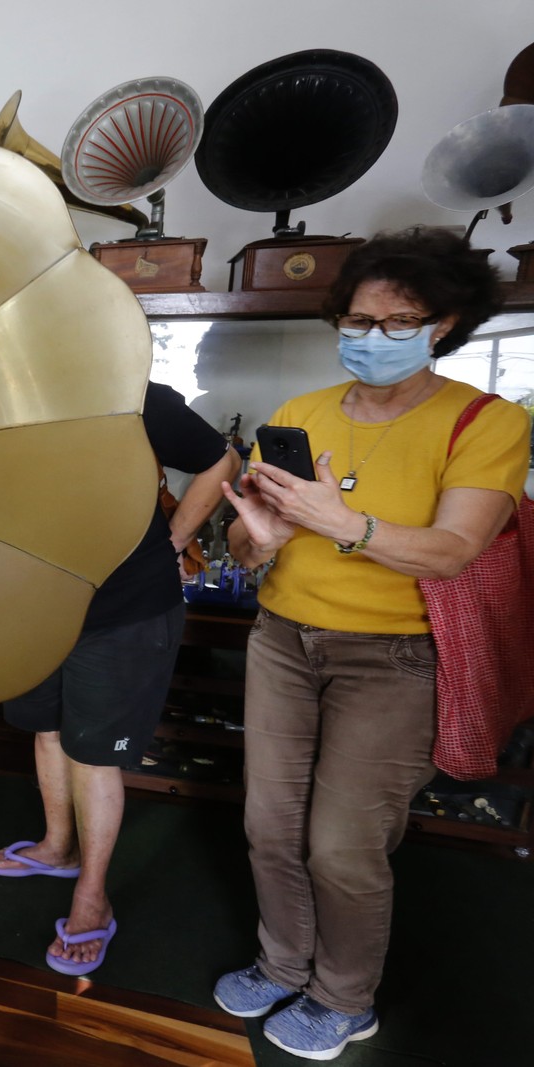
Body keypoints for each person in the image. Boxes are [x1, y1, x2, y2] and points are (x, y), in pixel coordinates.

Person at [213, 227, 530, 1061]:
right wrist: (263, 537)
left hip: (394, 657)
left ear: (445, 324)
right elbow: (250, 550)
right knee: (269, 827)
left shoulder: (484, 422)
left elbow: (457, 549)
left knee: (343, 845)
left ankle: (343, 997)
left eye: (398, 321)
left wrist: (341, 524)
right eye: (357, 319)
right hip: (282, 640)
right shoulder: (300, 414)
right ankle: (282, 962)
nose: (371, 336)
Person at [0, 380, 240, 976]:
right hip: (32, 606)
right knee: (46, 730)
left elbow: (219, 460)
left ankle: (91, 899)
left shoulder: (131, 394)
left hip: (126, 610)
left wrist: (173, 543)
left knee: (95, 755)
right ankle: (56, 847)